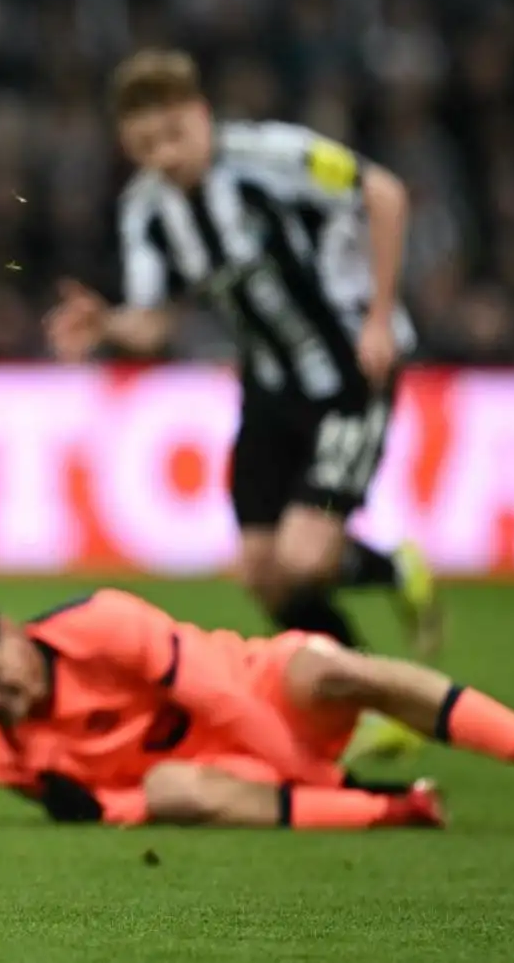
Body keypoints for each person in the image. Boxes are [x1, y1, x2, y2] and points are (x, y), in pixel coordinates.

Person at [46, 49, 439, 762]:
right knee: (260, 573)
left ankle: (387, 584)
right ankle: (372, 693)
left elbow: (384, 194)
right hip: (268, 387)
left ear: (200, 116)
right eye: (143, 146)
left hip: (351, 372)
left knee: (303, 557)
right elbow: (156, 319)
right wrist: (106, 325)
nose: (162, 156)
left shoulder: (274, 154)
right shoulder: (146, 210)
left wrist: (380, 316)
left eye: (172, 136)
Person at [0, 586, 514, 829]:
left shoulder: (100, 624)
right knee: (169, 791)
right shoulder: (5, 758)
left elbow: (221, 699)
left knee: (332, 672)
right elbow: (115, 808)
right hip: (228, 778)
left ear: (5, 630)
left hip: (264, 694)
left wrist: (321, 782)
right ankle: (393, 813)